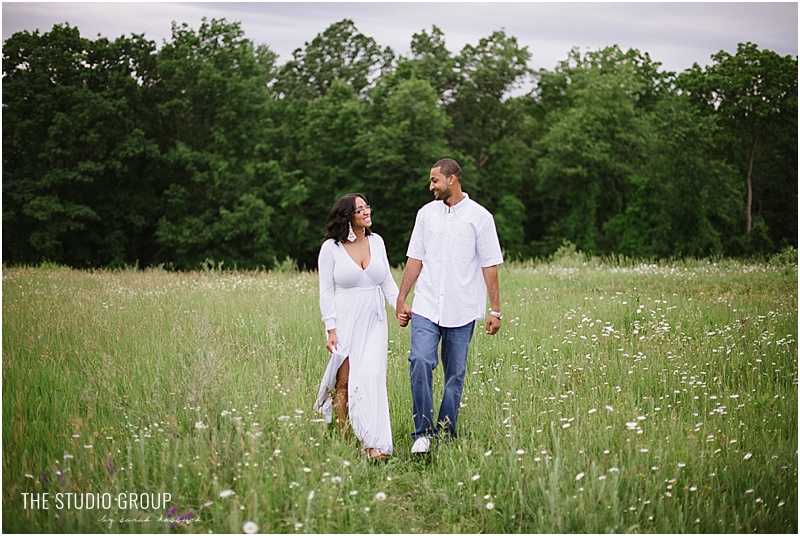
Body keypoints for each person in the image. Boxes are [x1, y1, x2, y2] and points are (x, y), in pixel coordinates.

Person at [395, 158, 503, 454]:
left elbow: (489, 265)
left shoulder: (480, 217)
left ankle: (445, 432)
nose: (431, 186)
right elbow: (415, 258)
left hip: (463, 308)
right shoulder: (425, 215)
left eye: (434, 181)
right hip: (427, 305)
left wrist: (495, 310)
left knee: (455, 374)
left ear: (452, 180)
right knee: (419, 361)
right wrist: (402, 297)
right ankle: (422, 433)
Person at [315, 193, 409, 459]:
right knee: (344, 382)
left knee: (372, 377)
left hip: (374, 320)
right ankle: (348, 441)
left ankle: (374, 443)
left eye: (367, 207)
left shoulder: (377, 241)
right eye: (360, 209)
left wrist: (399, 306)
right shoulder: (330, 249)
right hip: (344, 320)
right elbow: (326, 291)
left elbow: (387, 281)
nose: (367, 212)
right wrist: (330, 328)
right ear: (347, 216)